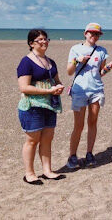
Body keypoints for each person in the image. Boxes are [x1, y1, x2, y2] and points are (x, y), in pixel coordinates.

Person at [17, 29, 66, 184]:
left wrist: (59, 87)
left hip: (50, 105)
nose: (44, 42)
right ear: (31, 44)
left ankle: (47, 170)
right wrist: (47, 90)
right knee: (32, 140)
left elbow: (57, 80)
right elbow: (24, 87)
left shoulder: (51, 62)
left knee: (47, 139)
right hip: (32, 106)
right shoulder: (26, 62)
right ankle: (29, 173)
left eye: (46, 39)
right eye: (40, 40)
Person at [66, 23, 112, 168]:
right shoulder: (75, 49)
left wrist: (107, 68)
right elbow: (69, 71)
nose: (94, 36)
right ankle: (72, 156)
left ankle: (89, 153)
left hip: (96, 90)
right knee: (79, 125)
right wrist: (77, 60)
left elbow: (100, 73)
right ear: (85, 33)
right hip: (80, 90)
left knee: (92, 122)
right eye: (91, 33)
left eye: (97, 34)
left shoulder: (101, 51)